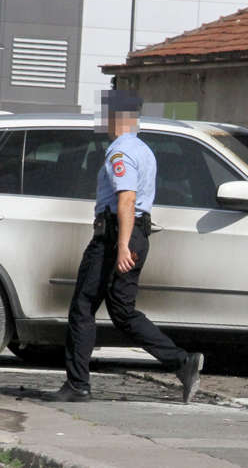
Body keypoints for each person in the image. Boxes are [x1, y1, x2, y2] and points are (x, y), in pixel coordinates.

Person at [47, 90, 204, 403]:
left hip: (115, 237)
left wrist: (120, 246)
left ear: (116, 118)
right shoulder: (145, 149)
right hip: (136, 234)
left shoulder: (120, 150)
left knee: (82, 307)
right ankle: (182, 362)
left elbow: (127, 198)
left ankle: (77, 385)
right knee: (122, 311)